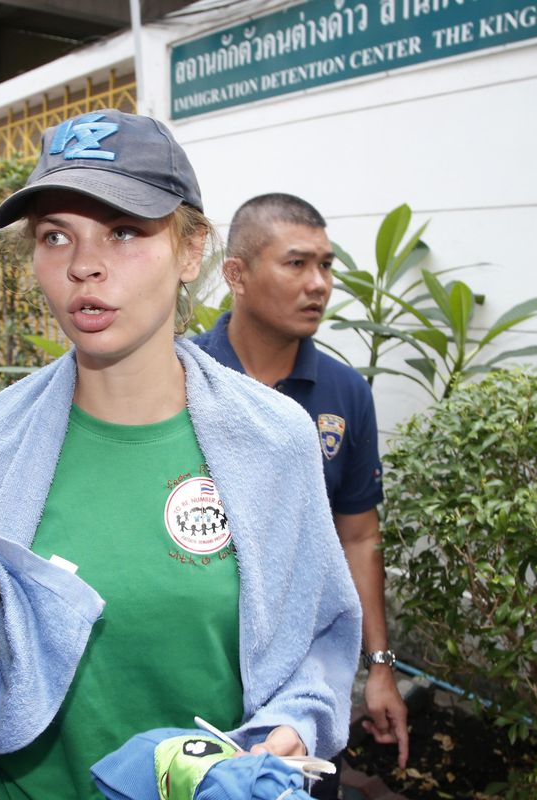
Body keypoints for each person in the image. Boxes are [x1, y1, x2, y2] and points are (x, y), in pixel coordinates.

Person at [0, 109, 363, 799]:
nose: (83, 266)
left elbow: (319, 637)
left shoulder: (273, 438)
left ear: (191, 250)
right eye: (54, 236)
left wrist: (289, 726)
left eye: (125, 231)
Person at [193, 193, 410, 794]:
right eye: (296, 264)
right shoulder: (179, 377)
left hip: (304, 688)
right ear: (235, 274)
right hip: (198, 682)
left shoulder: (344, 392)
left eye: (327, 265)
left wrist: (379, 668)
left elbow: (358, 535)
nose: (318, 284)